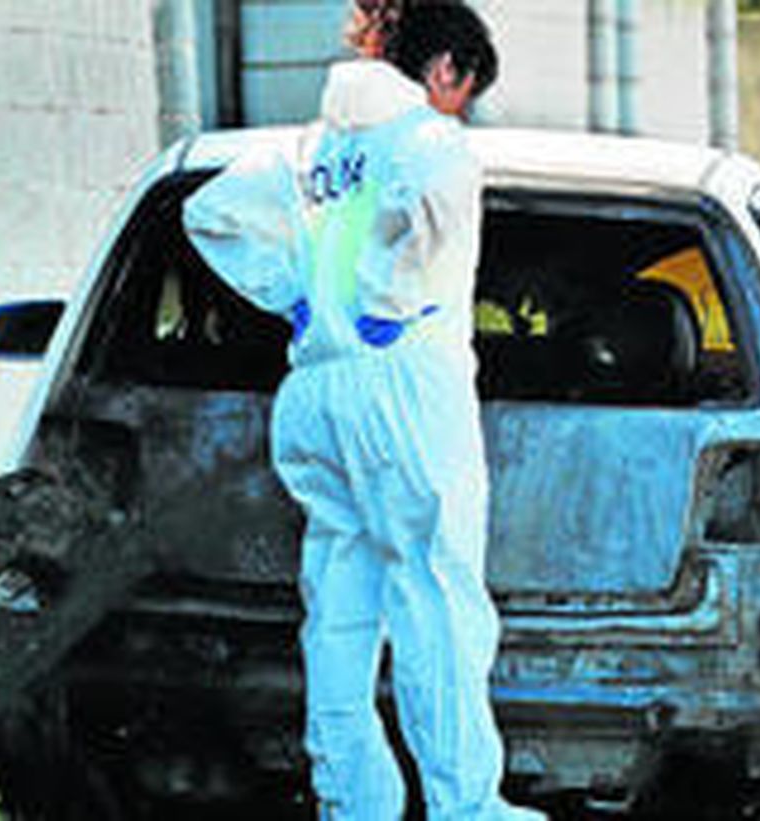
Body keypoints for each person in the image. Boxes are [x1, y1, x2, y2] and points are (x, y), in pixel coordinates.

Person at [184, 5, 539, 820]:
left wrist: (296, 295)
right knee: (436, 598)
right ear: (444, 68)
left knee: (341, 602)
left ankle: (352, 801)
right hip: (404, 384)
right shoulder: (431, 140)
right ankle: (466, 807)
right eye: (464, 89)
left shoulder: (310, 148)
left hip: (317, 390)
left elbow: (209, 214)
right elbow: (429, 209)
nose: (460, 108)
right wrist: (388, 299)